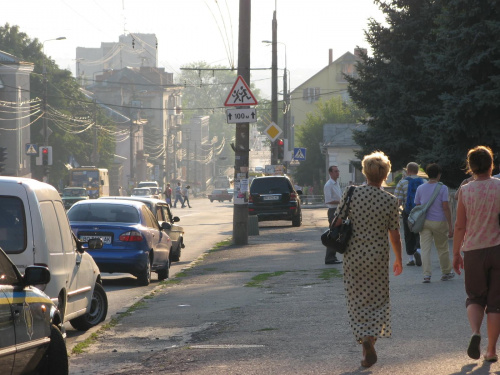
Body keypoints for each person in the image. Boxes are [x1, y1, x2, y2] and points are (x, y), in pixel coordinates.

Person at [333, 151, 403, 368]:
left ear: (365, 172)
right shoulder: (390, 201)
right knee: (378, 300)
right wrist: (398, 258)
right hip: (378, 257)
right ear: (385, 175)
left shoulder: (351, 193)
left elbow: (337, 221)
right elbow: (394, 233)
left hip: (353, 256)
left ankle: (365, 342)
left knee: (357, 299)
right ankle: (370, 340)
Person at [453, 146, 500, 363]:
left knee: (474, 297)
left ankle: (475, 332)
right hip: (498, 249)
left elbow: (460, 226)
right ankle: (491, 350)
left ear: (470, 167)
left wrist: (456, 254)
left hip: (473, 250)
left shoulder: (465, 190)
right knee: (496, 302)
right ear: (492, 165)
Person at [414, 163, 454, 283]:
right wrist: (450, 225)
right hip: (439, 221)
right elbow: (445, 207)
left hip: (424, 222)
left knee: (425, 249)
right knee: (442, 248)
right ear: (439, 175)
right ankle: (446, 272)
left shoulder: (420, 188)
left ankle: (426, 275)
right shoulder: (443, 188)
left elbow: (417, 206)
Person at [394, 162, 425, 267]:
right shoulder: (424, 181)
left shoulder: (402, 182)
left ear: (407, 171)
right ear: (417, 171)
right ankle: (419, 251)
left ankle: (411, 259)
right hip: (420, 211)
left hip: (408, 212)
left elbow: (398, 200)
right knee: (419, 232)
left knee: (408, 234)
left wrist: (396, 212)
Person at [323, 165, 342, 264]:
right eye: (335, 171)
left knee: (337, 233)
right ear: (330, 173)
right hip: (333, 211)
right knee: (333, 234)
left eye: (338, 171)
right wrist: (340, 202)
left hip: (338, 210)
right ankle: (329, 258)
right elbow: (328, 201)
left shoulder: (336, 183)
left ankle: (333, 257)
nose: (337, 173)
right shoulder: (328, 185)